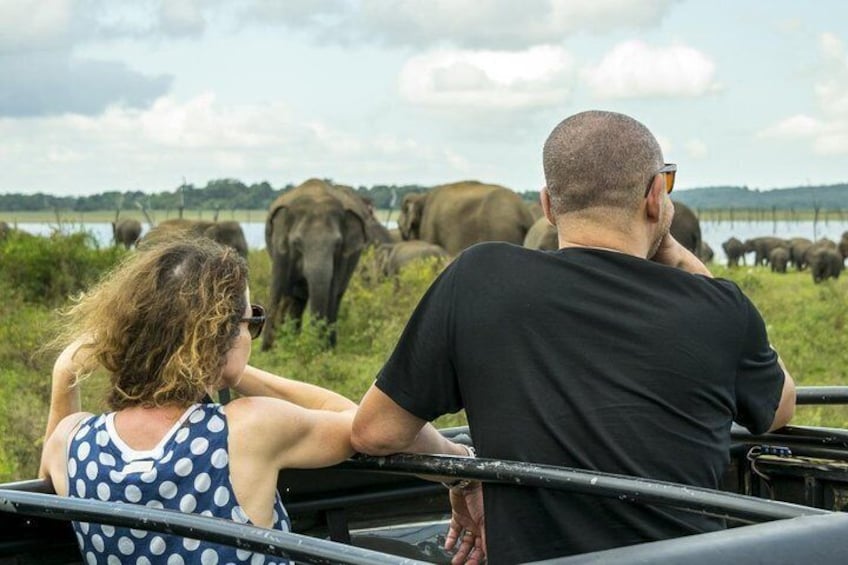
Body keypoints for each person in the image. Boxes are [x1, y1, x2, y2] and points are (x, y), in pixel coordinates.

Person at [351, 110, 796, 563]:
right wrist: (680, 258)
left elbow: (375, 432)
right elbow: (779, 407)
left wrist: (465, 471)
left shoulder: (477, 278)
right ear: (656, 196)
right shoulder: (720, 307)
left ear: (547, 206)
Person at [39, 236, 358, 564]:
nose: (250, 335)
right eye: (251, 322)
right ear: (222, 333)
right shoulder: (248, 427)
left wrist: (64, 373)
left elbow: (45, 486)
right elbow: (359, 424)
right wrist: (233, 370)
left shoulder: (70, 442)